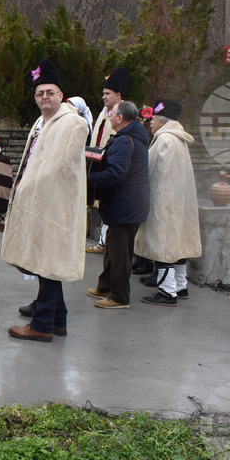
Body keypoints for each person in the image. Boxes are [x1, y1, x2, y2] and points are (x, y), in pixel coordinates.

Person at [2, 58, 88, 342]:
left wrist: (33, 187)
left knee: (48, 262)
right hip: (37, 202)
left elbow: (64, 168)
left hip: (56, 204)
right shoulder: (41, 123)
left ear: (61, 95)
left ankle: (41, 326)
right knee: (44, 260)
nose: (44, 97)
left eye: (50, 92)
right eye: (40, 93)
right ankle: (58, 320)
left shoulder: (74, 123)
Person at [133, 99, 201, 306]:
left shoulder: (165, 140)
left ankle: (167, 291)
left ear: (162, 120)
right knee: (177, 244)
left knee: (163, 243)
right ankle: (180, 286)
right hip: (179, 200)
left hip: (164, 201)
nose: (150, 123)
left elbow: (151, 170)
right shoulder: (178, 139)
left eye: (152, 119)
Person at [86, 100, 150, 309]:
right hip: (125, 204)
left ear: (120, 118)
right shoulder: (128, 137)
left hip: (126, 206)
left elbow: (115, 174)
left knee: (120, 254)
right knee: (112, 248)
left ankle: (120, 297)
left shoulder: (125, 141)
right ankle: (105, 287)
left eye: (111, 114)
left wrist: (86, 179)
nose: (109, 117)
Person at [86, 67, 130, 255]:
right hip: (97, 161)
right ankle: (103, 240)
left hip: (112, 164)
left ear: (118, 95)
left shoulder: (123, 113)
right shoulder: (104, 112)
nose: (103, 97)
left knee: (110, 203)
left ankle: (105, 242)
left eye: (107, 93)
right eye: (103, 93)